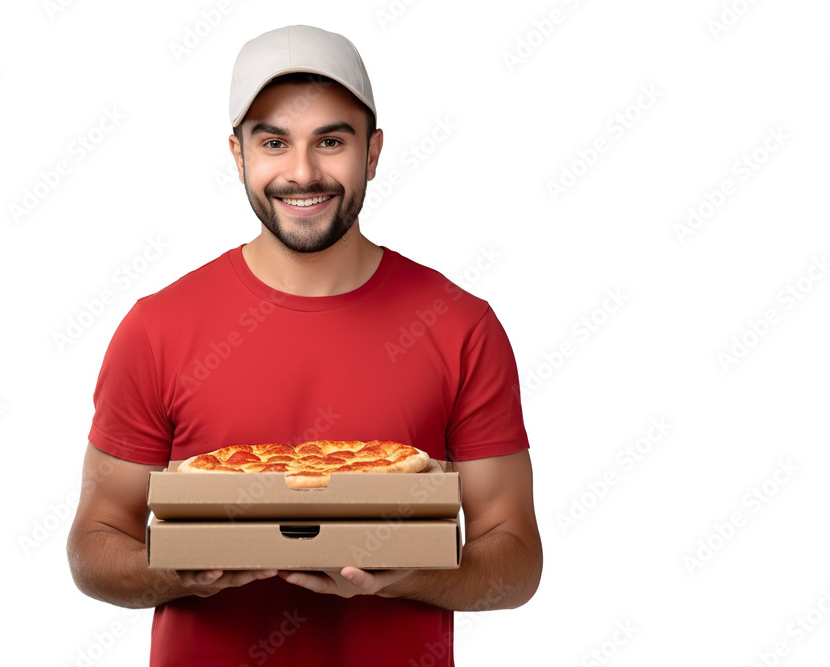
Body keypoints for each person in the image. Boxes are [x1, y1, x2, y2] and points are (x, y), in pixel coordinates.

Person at [67, 24, 542, 667]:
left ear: (372, 152)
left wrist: (412, 574)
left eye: (331, 140)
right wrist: (183, 571)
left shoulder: (461, 326)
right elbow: (95, 544)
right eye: (273, 142)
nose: (302, 172)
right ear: (237, 155)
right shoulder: (157, 328)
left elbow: (515, 558)